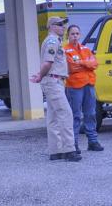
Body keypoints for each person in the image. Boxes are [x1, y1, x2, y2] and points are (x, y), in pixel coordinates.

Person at [30, 16, 80, 162]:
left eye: (63, 24)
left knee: (53, 117)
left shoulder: (54, 41)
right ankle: (69, 149)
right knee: (66, 113)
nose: (63, 27)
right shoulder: (52, 41)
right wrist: (40, 75)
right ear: (51, 26)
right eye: (59, 24)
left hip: (53, 80)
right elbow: (48, 62)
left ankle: (55, 150)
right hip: (53, 80)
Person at [64, 24, 104, 153]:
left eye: (77, 34)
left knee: (91, 114)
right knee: (75, 115)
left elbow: (95, 63)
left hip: (89, 85)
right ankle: (73, 144)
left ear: (80, 35)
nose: (75, 36)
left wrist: (81, 63)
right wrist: (87, 63)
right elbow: (71, 67)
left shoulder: (86, 49)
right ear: (68, 35)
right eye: (72, 34)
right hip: (74, 86)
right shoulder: (65, 50)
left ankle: (92, 141)